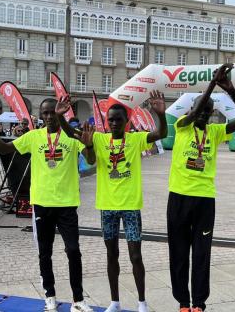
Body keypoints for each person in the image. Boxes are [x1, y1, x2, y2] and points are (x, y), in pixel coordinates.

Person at [0, 99, 96, 312]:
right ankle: (50, 295)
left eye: (53, 112)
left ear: (58, 113)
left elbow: (90, 159)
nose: (49, 117)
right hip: (42, 204)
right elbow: (4, 149)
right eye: (45, 113)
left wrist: (88, 144)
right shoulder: (34, 137)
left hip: (67, 204)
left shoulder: (71, 137)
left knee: (73, 251)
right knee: (45, 252)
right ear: (40, 115)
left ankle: (78, 300)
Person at [57, 91, 167, 312]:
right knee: (111, 254)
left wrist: (160, 115)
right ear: (107, 122)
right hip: (107, 206)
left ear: (127, 122)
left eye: (119, 119)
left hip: (130, 206)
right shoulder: (98, 139)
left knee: (136, 255)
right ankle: (115, 301)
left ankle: (141, 302)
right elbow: (71, 132)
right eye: (111, 120)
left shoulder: (135, 140)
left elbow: (161, 133)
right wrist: (61, 117)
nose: (115, 123)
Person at [167, 64, 235, 312]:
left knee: (202, 254)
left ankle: (199, 303)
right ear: (192, 109)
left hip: (204, 200)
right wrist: (212, 84)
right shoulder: (182, 125)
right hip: (179, 197)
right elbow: (193, 116)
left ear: (213, 114)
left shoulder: (215, 132)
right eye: (200, 109)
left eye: (209, 111)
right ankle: (183, 302)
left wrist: (232, 92)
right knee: (179, 253)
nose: (204, 114)